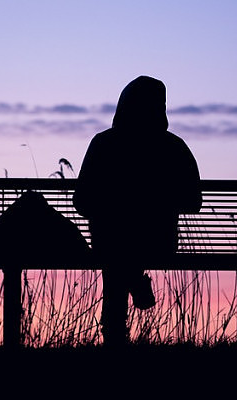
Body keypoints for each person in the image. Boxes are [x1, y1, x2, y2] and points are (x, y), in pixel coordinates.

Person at [74, 76, 201, 346]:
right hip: (159, 241)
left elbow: (81, 201)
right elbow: (194, 201)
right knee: (120, 252)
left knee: (115, 254)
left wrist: (115, 204)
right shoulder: (173, 146)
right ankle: (134, 279)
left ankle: (115, 336)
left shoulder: (103, 143)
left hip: (110, 242)